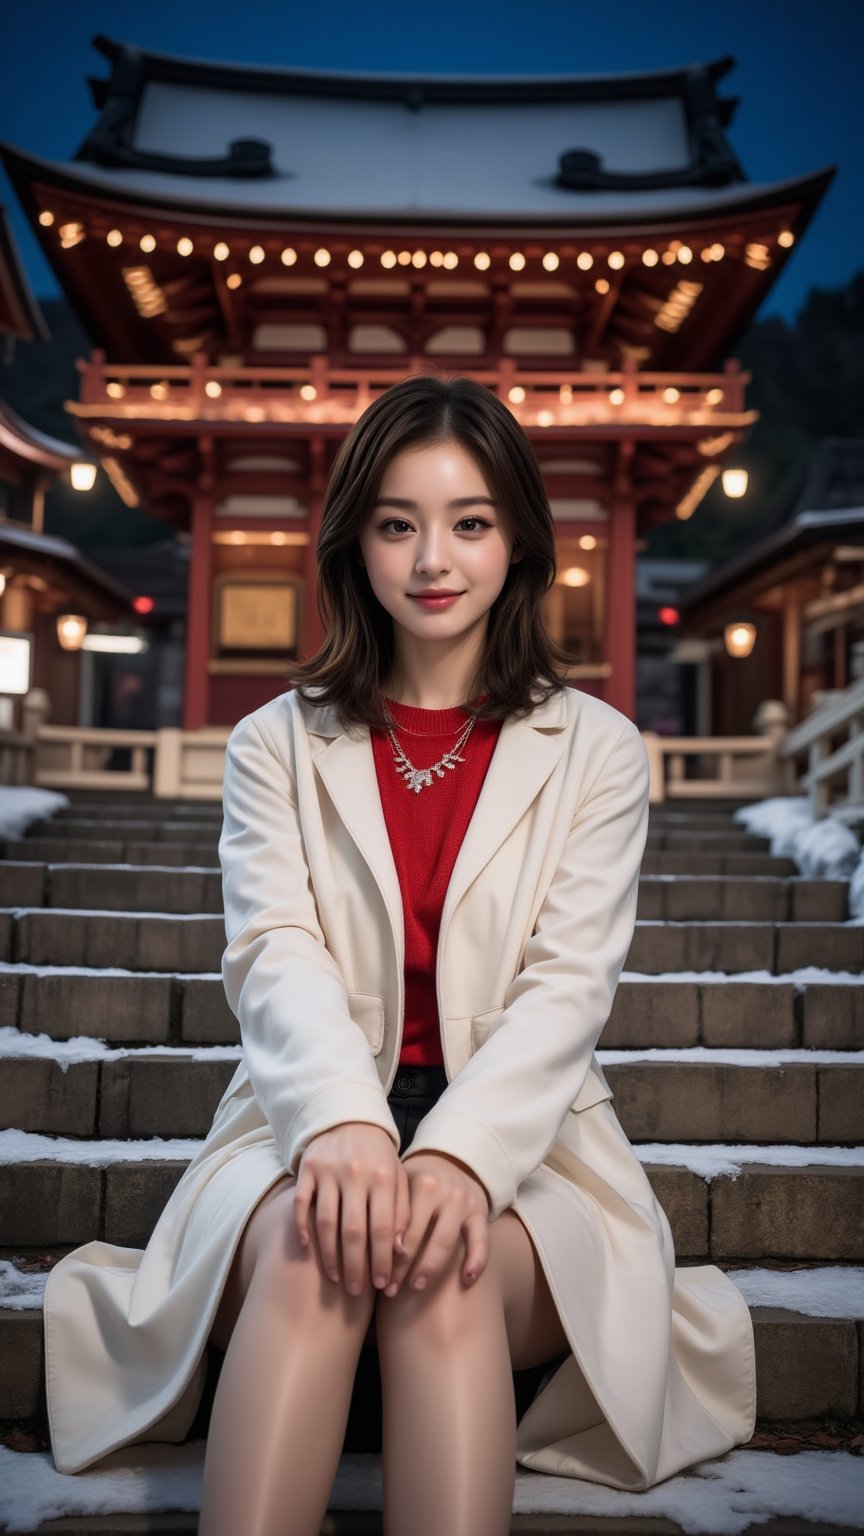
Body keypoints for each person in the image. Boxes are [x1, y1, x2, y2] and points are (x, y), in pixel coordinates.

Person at [42, 374, 756, 1535]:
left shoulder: (602, 752)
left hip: (533, 1150)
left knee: (445, 1272)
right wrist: (342, 1124)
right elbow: (271, 949)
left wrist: (463, 1158)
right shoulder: (274, 740)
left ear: (520, 541)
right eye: (397, 522)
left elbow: (568, 989)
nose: (435, 556)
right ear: (353, 543)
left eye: (470, 521)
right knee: (312, 1246)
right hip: (302, 1117)